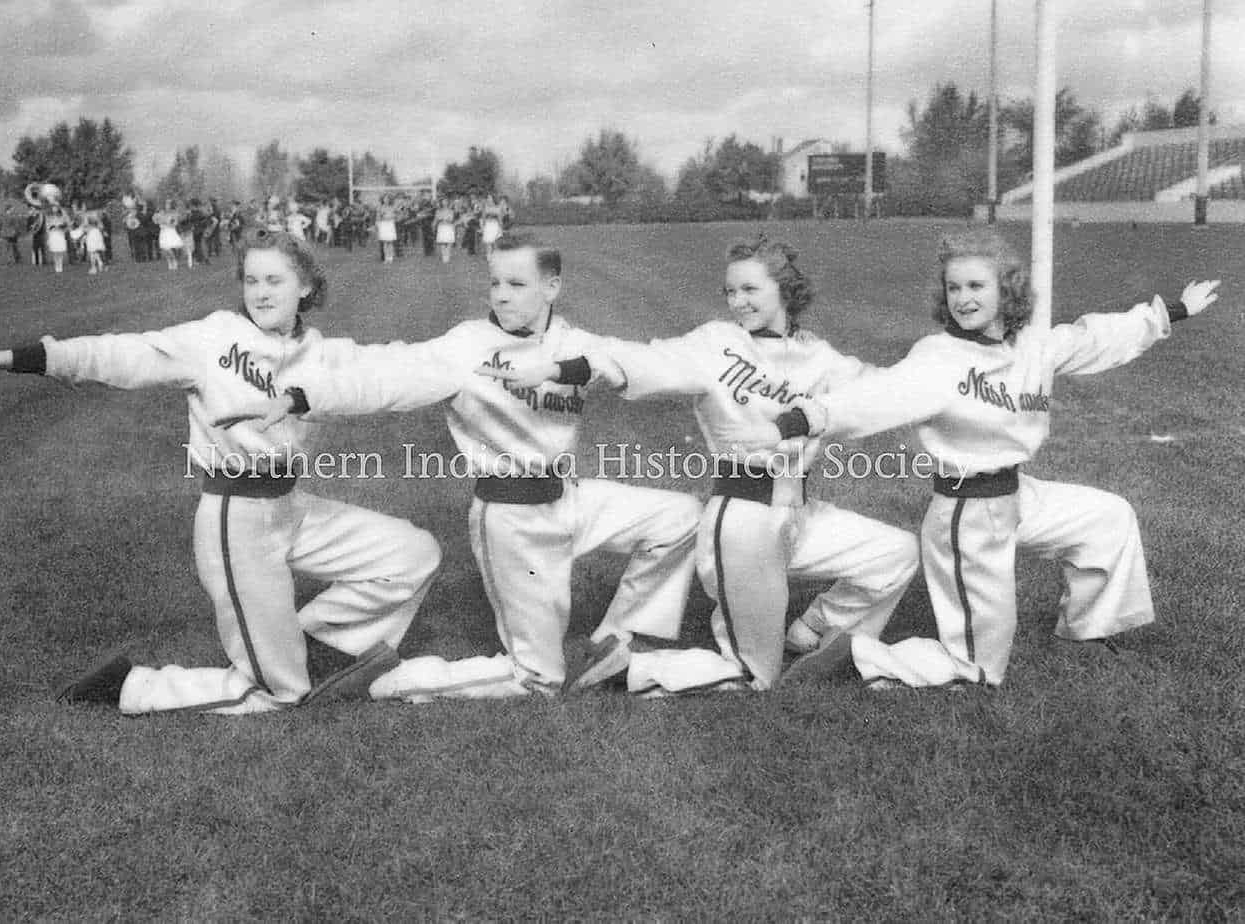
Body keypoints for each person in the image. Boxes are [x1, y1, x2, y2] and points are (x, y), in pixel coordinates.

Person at [0, 230, 450, 716]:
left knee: (411, 553)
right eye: (251, 280)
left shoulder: (322, 352)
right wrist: (13, 357)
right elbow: (117, 355)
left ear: (306, 286)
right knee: (280, 692)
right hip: (234, 519)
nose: (261, 292)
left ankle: (324, 650)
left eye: (275, 280)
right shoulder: (212, 340)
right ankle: (132, 687)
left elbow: (391, 370)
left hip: (291, 508)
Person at [779, 228, 1220, 690]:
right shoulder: (939, 357)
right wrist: (810, 415)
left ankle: (1088, 632)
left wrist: (1172, 311)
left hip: (1016, 495)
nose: (963, 299)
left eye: (976, 286)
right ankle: (860, 654)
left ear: (1005, 290)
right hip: (967, 514)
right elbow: (878, 394)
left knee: (1107, 517)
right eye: (954, 288)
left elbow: (1095, 337)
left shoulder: (1031, 347)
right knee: (981, 670)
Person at [483, 235, 920, 695]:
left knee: (895, 554)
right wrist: (561, 369)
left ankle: (813, 632)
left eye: (750, 290)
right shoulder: (716, 345)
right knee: (757, 676)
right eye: (731, 292)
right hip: (742, 522)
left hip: (798, 515)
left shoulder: (821, 357)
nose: (737, 302)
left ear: (785, 288)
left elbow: (884, 391)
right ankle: (631, 669)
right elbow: (639, 359)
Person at [284, 231, 703, 700]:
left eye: (517, 284)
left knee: (681, 517)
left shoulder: (572, 340)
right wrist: (307, 394)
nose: (501, 294)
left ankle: (615, 644)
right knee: (538, 679)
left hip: (570, 499)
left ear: (552, 288)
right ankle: (392, 681)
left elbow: (639, 361)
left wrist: (579, 369)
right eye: (496, 282)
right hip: (513, 520)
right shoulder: (466, 347)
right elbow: (388, 376)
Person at [153, 199, 185, 270]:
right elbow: (155, 221)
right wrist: (158, 218)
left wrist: (169, 222)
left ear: (171, 205)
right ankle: (169, 262)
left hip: (170, 231)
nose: (166, 205)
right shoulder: (161, 212)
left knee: (169, 248)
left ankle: (174, 260)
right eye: (166, 204)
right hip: (163, 231)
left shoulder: (174, 213)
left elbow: (175, 223)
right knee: (164, 249)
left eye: (168, 204)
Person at [43, 203, 71, 273]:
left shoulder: (62, 215)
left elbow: (68, 224)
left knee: (60, 251)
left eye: (56, 207)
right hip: (53, 234)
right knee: (55, 251)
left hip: (60, 234)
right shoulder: (49, 216)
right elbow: (47, 226)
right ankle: (56, 266)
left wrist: (62, 227)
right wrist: (50, 228)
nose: (54, 209)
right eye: (53, 207)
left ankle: (60, 266)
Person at [80, 209, 106, 275]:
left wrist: (84, 232)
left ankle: (93, 267)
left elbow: (85, 228)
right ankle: (100, 262)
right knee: (95, 251)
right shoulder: (96, 215)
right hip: (97, 234)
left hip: (91, 235)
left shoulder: (86, 216)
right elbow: (101, 227)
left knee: (92, 253)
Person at [433, 197, 456, 264]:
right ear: (441, 203)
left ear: (448, 202)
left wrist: (447, 219)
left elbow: (451, 219)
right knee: (442, 243)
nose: (444, 203)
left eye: (446, 201)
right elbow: (436, 219)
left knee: (449, 242)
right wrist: (433, 225)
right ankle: (444, 256)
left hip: (448, 227)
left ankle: (447, 256)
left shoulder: (451, 211)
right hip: (441, 227)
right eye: (443, 201)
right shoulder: (438, 211)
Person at [375, 195, 397, 263]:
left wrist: (392, 217)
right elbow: (378, 217)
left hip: (390, 224)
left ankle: (390, 258)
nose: (386, 200)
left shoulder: (392, 207)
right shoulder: (380, 207)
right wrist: (377, 224)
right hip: (383, 225)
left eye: (388, 199)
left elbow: (396, 215)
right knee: (385, 242)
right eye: (385, 199)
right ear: (383, 199)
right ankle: (386, 258)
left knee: (390, 242)